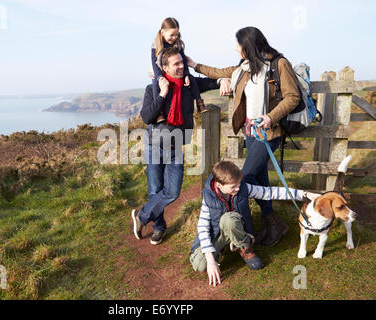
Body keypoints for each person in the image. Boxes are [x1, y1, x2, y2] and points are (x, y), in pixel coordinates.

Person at [187, 26, 301, 246]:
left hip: (269, 131)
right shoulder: (246, 67)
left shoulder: (279, 64)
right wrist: (195, 65)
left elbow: (292, 97)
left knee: (245, 177)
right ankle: (272, 224)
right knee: (260, 178)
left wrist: (270, 117)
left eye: (238, 44)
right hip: (251, 131)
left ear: (248, 46)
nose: (236, 48)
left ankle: (243, 231)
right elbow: (220, 72)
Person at [132, 46, 219, 245]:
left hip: (175, 146)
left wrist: (223, 80)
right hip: (155, 146)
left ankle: (141, 216)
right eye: (177, 64)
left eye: (182, 62)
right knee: (156, 189)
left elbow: (208, 82)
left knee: (172, 191)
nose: (182, 67)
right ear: (164, 68)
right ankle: (159, 228)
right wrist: (162, 94)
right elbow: (146, 117)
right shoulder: (153, 88)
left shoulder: (188, 85)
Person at [190, 160, 320, 286]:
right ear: (219, 185)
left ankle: (245, 249)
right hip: (218, 234)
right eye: (233, 187)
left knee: (229, 219)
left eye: (239, 184)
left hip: (237, 228)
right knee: (201, 265)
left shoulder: (243, 188)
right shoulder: (208, 197)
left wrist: (305, 194)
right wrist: (211, 260)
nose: (238, 188)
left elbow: (271, 193)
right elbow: (203, 226)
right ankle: (221, 250)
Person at [150, 17, 208, 124]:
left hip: (175, 70)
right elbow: (154, 62)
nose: (174, 37)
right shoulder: (156, 44)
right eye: (171, 35)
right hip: (160, 70)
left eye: (176, 34)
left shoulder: (178, 43)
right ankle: (160, 113)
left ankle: (199, 102)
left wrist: (186, 74)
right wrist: (159, 77)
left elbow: (183, 61)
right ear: (162, 32)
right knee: (154, 84)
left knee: (191, 79)